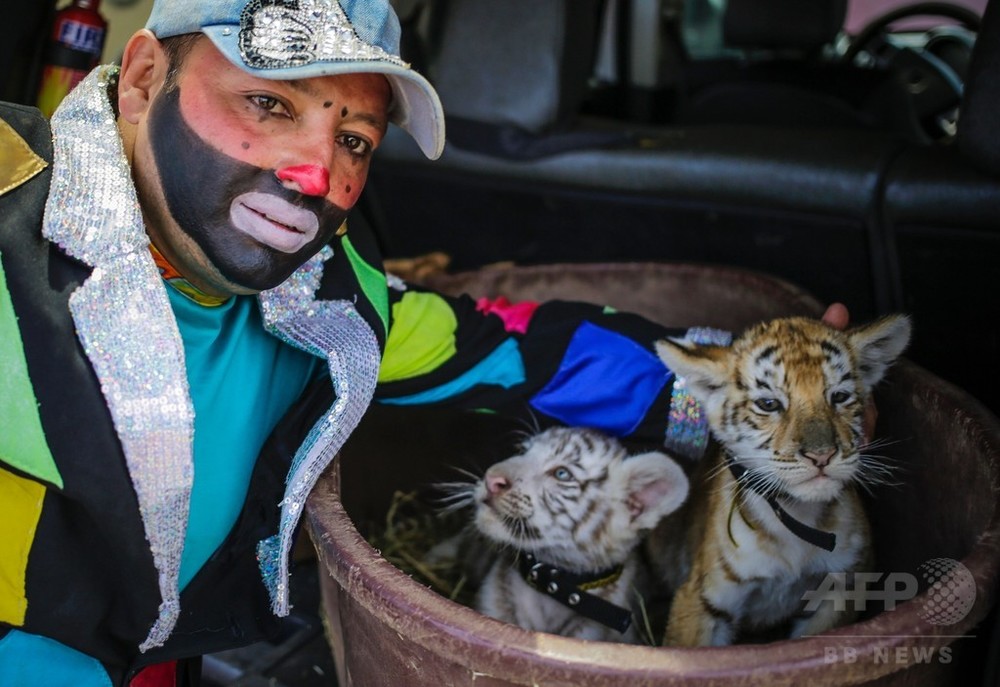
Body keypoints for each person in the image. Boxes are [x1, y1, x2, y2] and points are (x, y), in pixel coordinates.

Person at [0, 0, 855, 684]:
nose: (313, 176)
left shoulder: (331, 295)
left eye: (354, 141)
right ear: (145, 77)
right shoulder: (12, 222)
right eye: (267, 102)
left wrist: (756, 387)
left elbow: (521, 350)